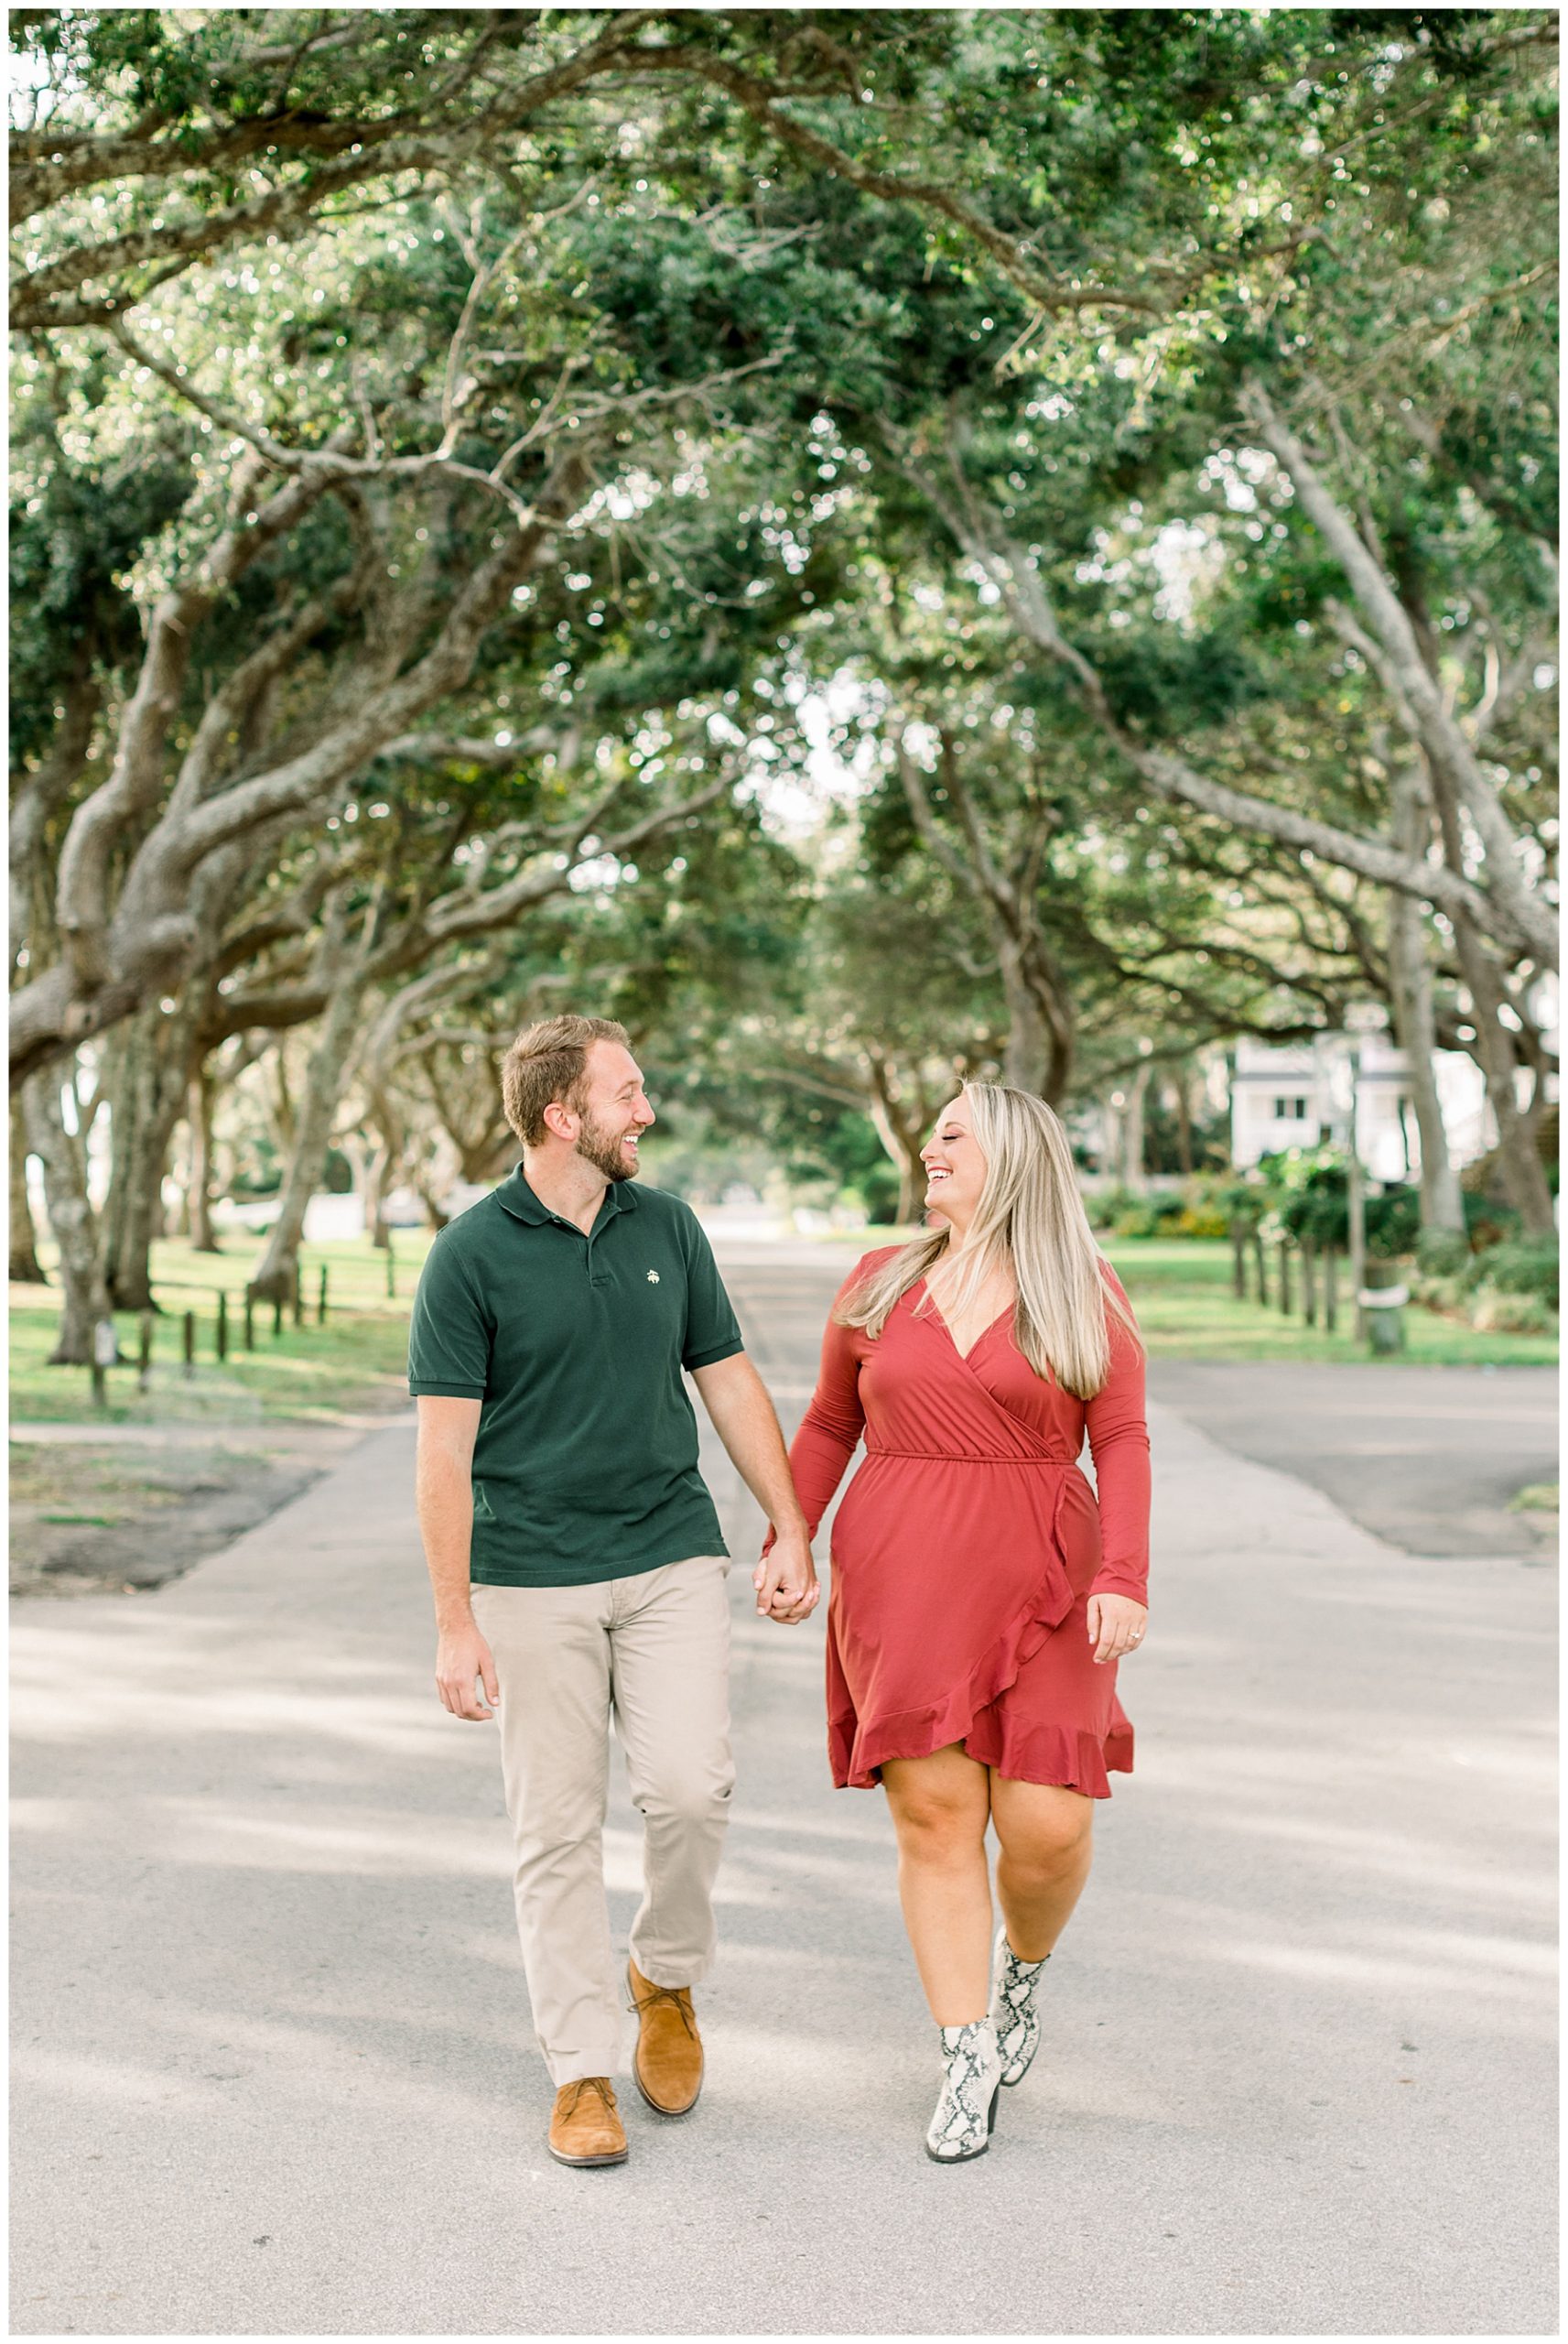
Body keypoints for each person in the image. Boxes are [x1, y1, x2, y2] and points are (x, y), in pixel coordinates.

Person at [408, 1014, 817, 2170]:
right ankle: (581, 2070)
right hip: (531, 1576)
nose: (646, 1111)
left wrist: (790, 1525)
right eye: (627, 1093)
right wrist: (454, 1622)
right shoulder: (471, 1254)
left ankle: (666, 1981)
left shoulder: (669, 1227)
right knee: (555, 1830)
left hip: (669, 1550)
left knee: (692, 1791)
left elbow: (729, 1382)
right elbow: (443, 1454)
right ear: (561, 1114)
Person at [766, 1081, 1150, 2164]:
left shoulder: (1084, 1289)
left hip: (1050, 1578)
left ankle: (1019, 1973)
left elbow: (1120, 1437)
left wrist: (1125, 1572)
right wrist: (789, 1536)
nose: (929, 1149)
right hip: (902, 1576)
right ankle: (965, 2051)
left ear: (1013, 1158)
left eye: (952, 1135)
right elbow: (831, 1419)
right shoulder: (878, 1283)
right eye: (932, 1134)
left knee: (1047, 1825)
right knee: (934, 1819)